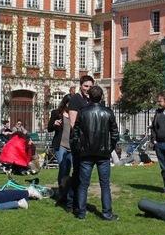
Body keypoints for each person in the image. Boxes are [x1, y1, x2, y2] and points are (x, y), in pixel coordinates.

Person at [72, 85, 119, 221]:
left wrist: (78, 147)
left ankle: (81, 212)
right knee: (104, 184)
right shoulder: (108, 112)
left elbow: (75, 133)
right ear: (102, 97)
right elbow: (115, 134)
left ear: (89, 96)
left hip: (87, 153)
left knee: (83, 184)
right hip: (102, 153)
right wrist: (110, 148)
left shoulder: (83, 112)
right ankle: (107, 213)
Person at [62, 75, 95, 212]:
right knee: (77, 173)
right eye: (85, 86)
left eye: (90, 86)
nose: (88, 89)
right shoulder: (76, 99)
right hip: (78, 141)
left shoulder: (91, 99)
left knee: (83, 174)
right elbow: (73, 123)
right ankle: (71, 203)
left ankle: (78, 202)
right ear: (80, 86)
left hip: (89, 141)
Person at [48, 94, 73, 187]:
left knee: (68, 168)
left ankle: (65, 187)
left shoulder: (74, 114)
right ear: (65, 103)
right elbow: (49, 128)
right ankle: (61, 188)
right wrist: (54, 124)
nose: (70, 106)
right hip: (60, 145)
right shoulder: (56, 113)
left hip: (70, 145)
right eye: (69, 103)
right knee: (62, 167)